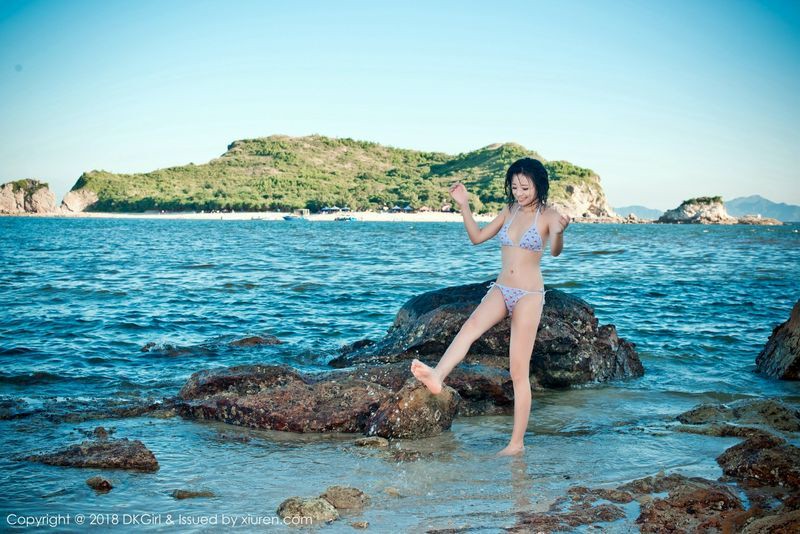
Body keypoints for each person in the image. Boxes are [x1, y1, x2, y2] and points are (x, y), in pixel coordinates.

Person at [410, 157, 570, 456]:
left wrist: (559, 232)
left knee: (518, 371)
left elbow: (556, 252)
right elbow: (477, 237)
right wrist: (464, 205)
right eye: (514, 187)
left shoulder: (549, 215)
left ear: (539, 185)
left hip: (529, 295)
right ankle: (438, 375)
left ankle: (516, 444)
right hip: (501, 288)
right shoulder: (509, 210)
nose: (519, 193)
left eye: (525, 187)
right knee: (469, 328)